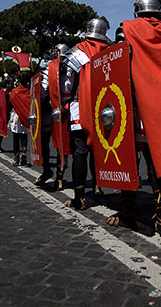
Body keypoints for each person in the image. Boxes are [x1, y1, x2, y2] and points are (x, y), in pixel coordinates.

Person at [108, 0, 161, 238]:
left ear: (137, 12)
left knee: (129, 161)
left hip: (134, 107)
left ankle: (129, 213)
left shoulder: (126, 29)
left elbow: (117, 65)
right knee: (157, 164)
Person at [62, 18, 110, 210]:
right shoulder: (112, 50)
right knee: (98, 150)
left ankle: (79, 197)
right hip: (107, 109)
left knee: (80, 151)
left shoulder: (77, 51)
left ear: (88, 29)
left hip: (79, 106)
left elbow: (67, 83)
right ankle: (98, 186)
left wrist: (64, 103)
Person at [34, 44, 69, 188]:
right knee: (59, 145)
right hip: (63, 111)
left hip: (56, 112)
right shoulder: (72, 70)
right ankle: (56, 175)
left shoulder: (49, 70)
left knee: (57, 145)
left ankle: (50, 171)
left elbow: (42, 92)